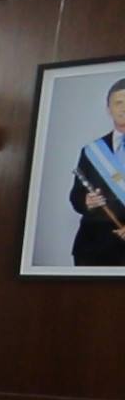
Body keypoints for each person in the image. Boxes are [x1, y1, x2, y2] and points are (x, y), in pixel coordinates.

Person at [69, 78, 125, 267]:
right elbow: (76, 196)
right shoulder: (92, 151)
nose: (123, 108)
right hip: (93, 248)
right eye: (118, 103)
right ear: (109, 109)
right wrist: (86, 201)